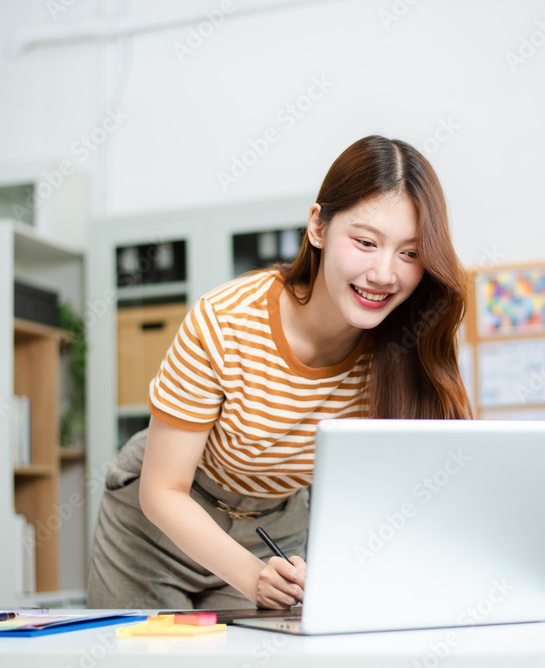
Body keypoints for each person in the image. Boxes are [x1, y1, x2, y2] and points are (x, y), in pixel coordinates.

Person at [86, 135, 471, 610]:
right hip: (156, 531)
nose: (384, 274)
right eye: (366, 242)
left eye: (409, 253)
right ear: (318, 227)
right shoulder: (226, 320)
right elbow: (163, 490)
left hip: (273, 533)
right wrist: (250, 576)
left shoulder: (407, 347)